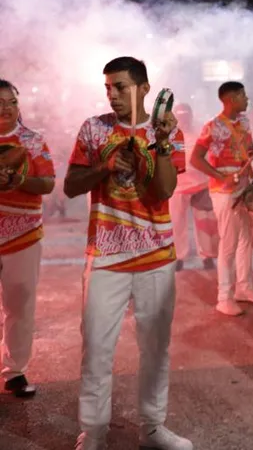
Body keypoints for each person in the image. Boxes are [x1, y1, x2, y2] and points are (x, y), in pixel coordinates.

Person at [63, 57, 192, 450]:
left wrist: (163, 146)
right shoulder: (94, 128)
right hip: (105, 257)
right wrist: (103, 167)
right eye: (108, 88)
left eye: (120, 87)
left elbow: (165, 191)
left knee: (155, 347)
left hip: (156, 256)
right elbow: (70, 186)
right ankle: (95, 432)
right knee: (97, 349)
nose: (113, 95)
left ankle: (152, 427)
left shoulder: (166, 130)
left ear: (144, 89)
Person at [192, 82, 253, 317]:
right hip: (224, 190)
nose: (247, 99)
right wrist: (219, 176)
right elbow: (195, 159)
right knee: (229, 241)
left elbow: (247, 146)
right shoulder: (212, 127)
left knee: (246, 237)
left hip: (244, 184)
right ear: (231, 99)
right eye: (243, 95)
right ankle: (223, 297)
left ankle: (244, 287)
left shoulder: (244, 122)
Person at [0, 79, 55, 398]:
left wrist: (18, 179)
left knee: (19, 303)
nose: (6, 109)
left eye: (11, 102)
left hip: (23, 234)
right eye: (0, 103)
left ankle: (14, 371)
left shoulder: (33, 142)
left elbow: (48, 183)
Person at [168, 103, 216, 272]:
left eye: (186, 116)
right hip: (177, 187)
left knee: (204, 222)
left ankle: (206, 256)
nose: (184, 120)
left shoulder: (201, 132)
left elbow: (210, 154)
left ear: (191, 116)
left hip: (201, 184)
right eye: (180, 117)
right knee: (177, 224)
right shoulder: (168, 136)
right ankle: (179, 257)